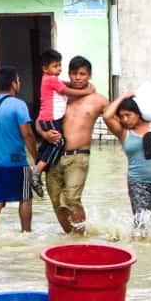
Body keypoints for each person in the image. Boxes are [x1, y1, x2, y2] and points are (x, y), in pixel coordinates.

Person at [42, 56, 109, 234]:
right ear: (68, 74)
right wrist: (44, 134)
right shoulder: (60, 95)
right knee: (57, 203)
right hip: (54, 155)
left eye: (82, 74)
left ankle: (81, 239)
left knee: (72, 198)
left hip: (79, 157)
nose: (78, 77)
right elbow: (40, 119)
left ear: (89, 76)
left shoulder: (98, 100)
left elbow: (116, 120)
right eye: (74, 73)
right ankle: (71, 239)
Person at [103, 92, 151, 236]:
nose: (125, 119)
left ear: (138, 114)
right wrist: (122, 97)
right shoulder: (123, 132)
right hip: (137, 182)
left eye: (128, 115)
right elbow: (107, 116)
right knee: (141, 223)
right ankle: (141, 250)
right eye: (121, 116)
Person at [30, 49, 94, 196]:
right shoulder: (51, 79)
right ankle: (37, 170)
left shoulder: (49, 79)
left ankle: (39, 166)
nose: (59, 69)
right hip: (51, 117)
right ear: (45, 69)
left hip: (48, 117)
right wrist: (86, 91)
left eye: (60, 65)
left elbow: (64, 84)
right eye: (55, 66)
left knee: (49, 143)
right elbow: (67, 91)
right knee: (59, 142)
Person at [0, 66, 37, 234]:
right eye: (18, 81)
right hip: (17, 162)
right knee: (25, 198)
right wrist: (37, 157)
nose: (19, 83)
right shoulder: (19, 105)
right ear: (14, 83)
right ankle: (26, 233)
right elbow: (27, 134)